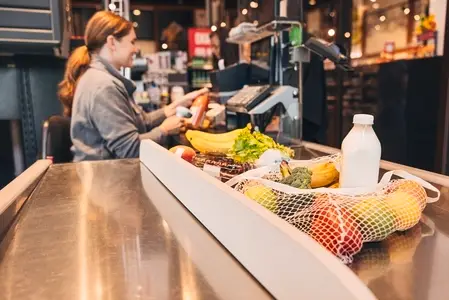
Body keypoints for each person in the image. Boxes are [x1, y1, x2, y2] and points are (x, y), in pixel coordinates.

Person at [58, 11, 207, 161]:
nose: (136, 49)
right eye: (132, 42)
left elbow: (140, 122)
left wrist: (172, 108)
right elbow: (130, 150)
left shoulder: (100, 78)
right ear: (111, 43)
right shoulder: (103, 86)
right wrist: (164, 130)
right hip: (105, 178)